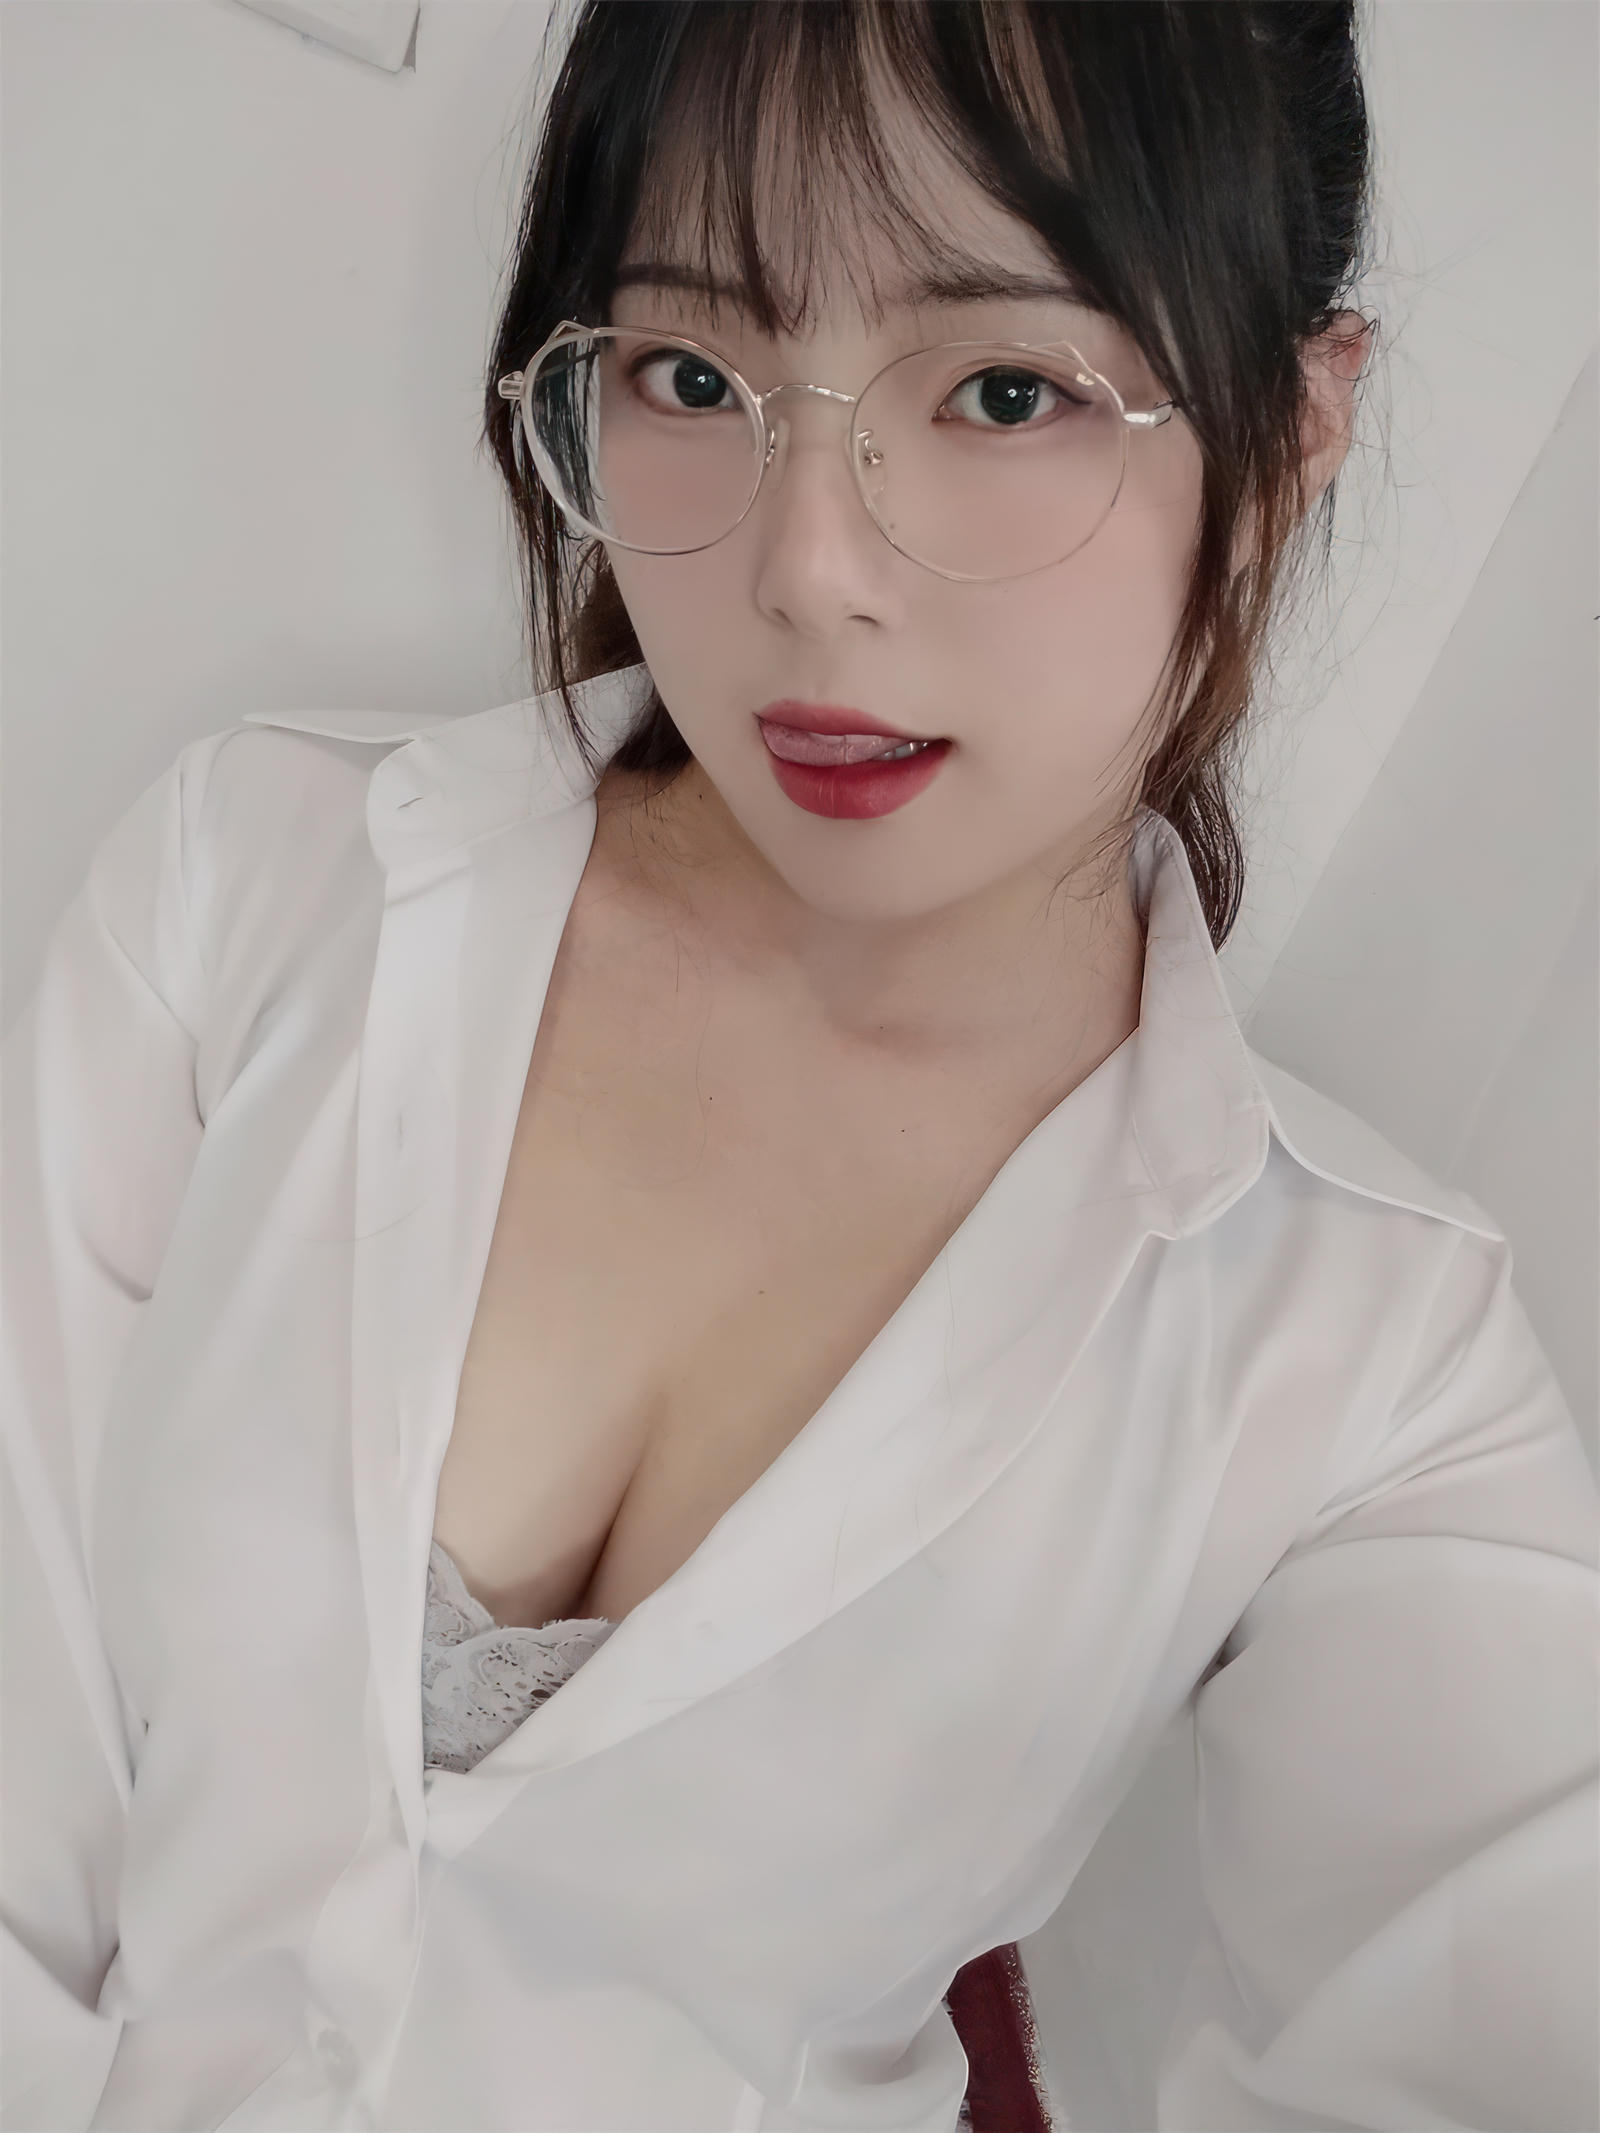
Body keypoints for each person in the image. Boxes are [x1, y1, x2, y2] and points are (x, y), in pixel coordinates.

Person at [3, 3, 1595, 2129]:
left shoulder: (1373, 1358)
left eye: (1004, 390)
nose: (804, 570)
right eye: (690, 374)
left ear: (1288, 438)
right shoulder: (255, 888)